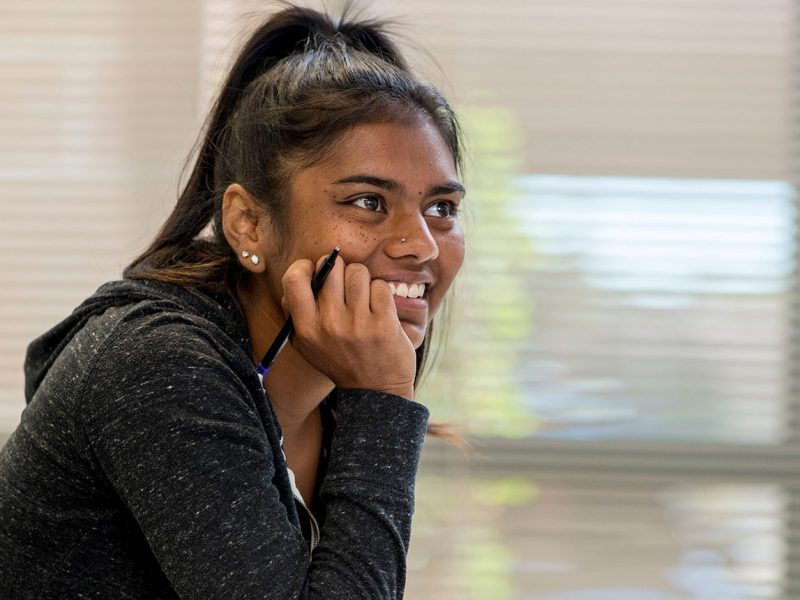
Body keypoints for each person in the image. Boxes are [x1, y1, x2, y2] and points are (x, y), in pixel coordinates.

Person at [0, 4, 465, 599]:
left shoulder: (333, 400)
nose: (421, 245)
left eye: (441, 209)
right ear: (248, 223)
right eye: (368, 201)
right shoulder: (156, 364)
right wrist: (383, 402)